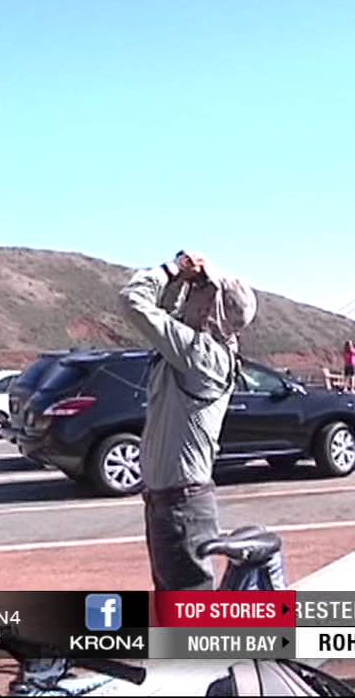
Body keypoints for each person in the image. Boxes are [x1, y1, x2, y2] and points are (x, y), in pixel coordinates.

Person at [118, 250, 257, 591]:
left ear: (213, 310)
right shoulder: (195, 350)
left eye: (201, 292)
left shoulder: (202, 354)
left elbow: (133, 302)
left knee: (188, 621)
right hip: (170, 502)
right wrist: (184, 280)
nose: (192, 296)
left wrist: (171, 269)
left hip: (181, 506)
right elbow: (168, 313)